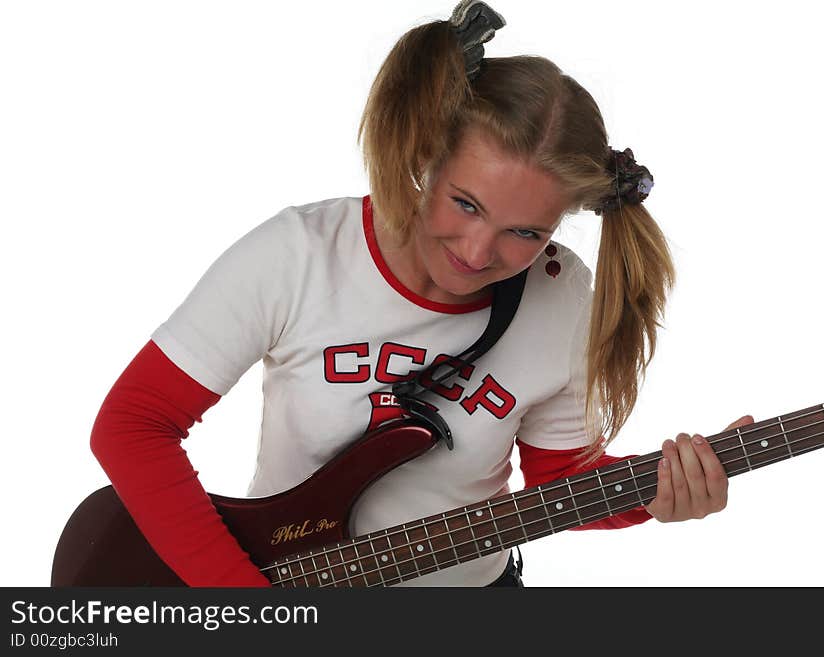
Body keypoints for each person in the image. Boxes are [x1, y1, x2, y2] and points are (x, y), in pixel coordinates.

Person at [89, 1, 753, 587]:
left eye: (524, 231)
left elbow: (556, 484)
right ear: (425, 153)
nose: (475, 251)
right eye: (465, 202)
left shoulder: (562, 295)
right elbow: (133, 424)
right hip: (286, 587)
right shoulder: (299, 255)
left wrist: (662, 491)